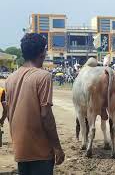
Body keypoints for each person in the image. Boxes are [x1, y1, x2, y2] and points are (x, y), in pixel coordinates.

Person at [5, 33, 65, 174]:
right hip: (40, 152)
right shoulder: (43, 76)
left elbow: (9, 114)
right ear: (42, 53)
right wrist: (57, 147)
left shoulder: (10, 79)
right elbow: (46, 115)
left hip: (20, 151)